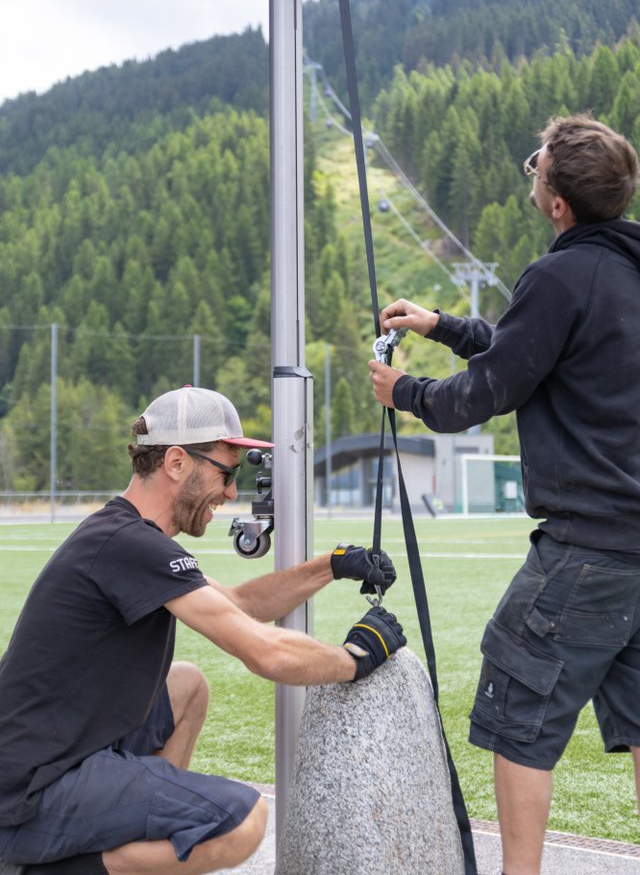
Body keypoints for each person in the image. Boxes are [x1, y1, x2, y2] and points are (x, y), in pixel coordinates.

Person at [368, 114, 640, 875]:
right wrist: (446, 327)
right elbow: (542, 353)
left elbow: (484, 393)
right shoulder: (622, 270)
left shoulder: (559, 276)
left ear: (557, 202)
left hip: (587, 551)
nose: (533, 175)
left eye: (536, 167)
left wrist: (404, 390)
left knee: (521, 717)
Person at [0, 386, 405, 875]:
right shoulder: (130, 544)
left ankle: (114, 844)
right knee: (241, 823)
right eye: (226, 472)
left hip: (53, 757)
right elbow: (265, 654)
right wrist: (355, 658)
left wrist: (333, 565)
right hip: (31, 790)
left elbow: (241, 604)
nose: (233, 492)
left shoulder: (124, 535)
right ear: (175, 462)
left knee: (186, 685)